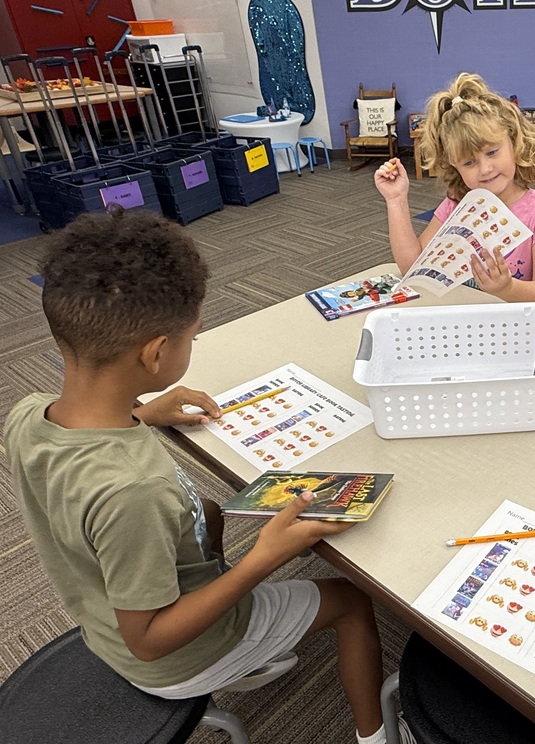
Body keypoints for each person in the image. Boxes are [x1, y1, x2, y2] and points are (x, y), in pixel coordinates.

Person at [4, 210, 411, 744]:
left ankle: (247, 641)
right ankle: (375, 737)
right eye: (191, 336)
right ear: (155, 353)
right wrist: (265, 556)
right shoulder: (134, 489)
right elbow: (149, 639)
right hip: (168, 658)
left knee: (212, 512)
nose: (192, 345)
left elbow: (81, 465)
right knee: (353, 601)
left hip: (100, 612)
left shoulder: (29, 411)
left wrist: (143, 412)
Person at [374, 72, 535, 302]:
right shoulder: (456, 205)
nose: (485, 168)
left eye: (492, 152)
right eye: (469, 162)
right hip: (463, 328)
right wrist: (396, 200)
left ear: (514, 142)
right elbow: (413, 270)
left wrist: (507, 289)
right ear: (455, 167)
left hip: (515, 330)